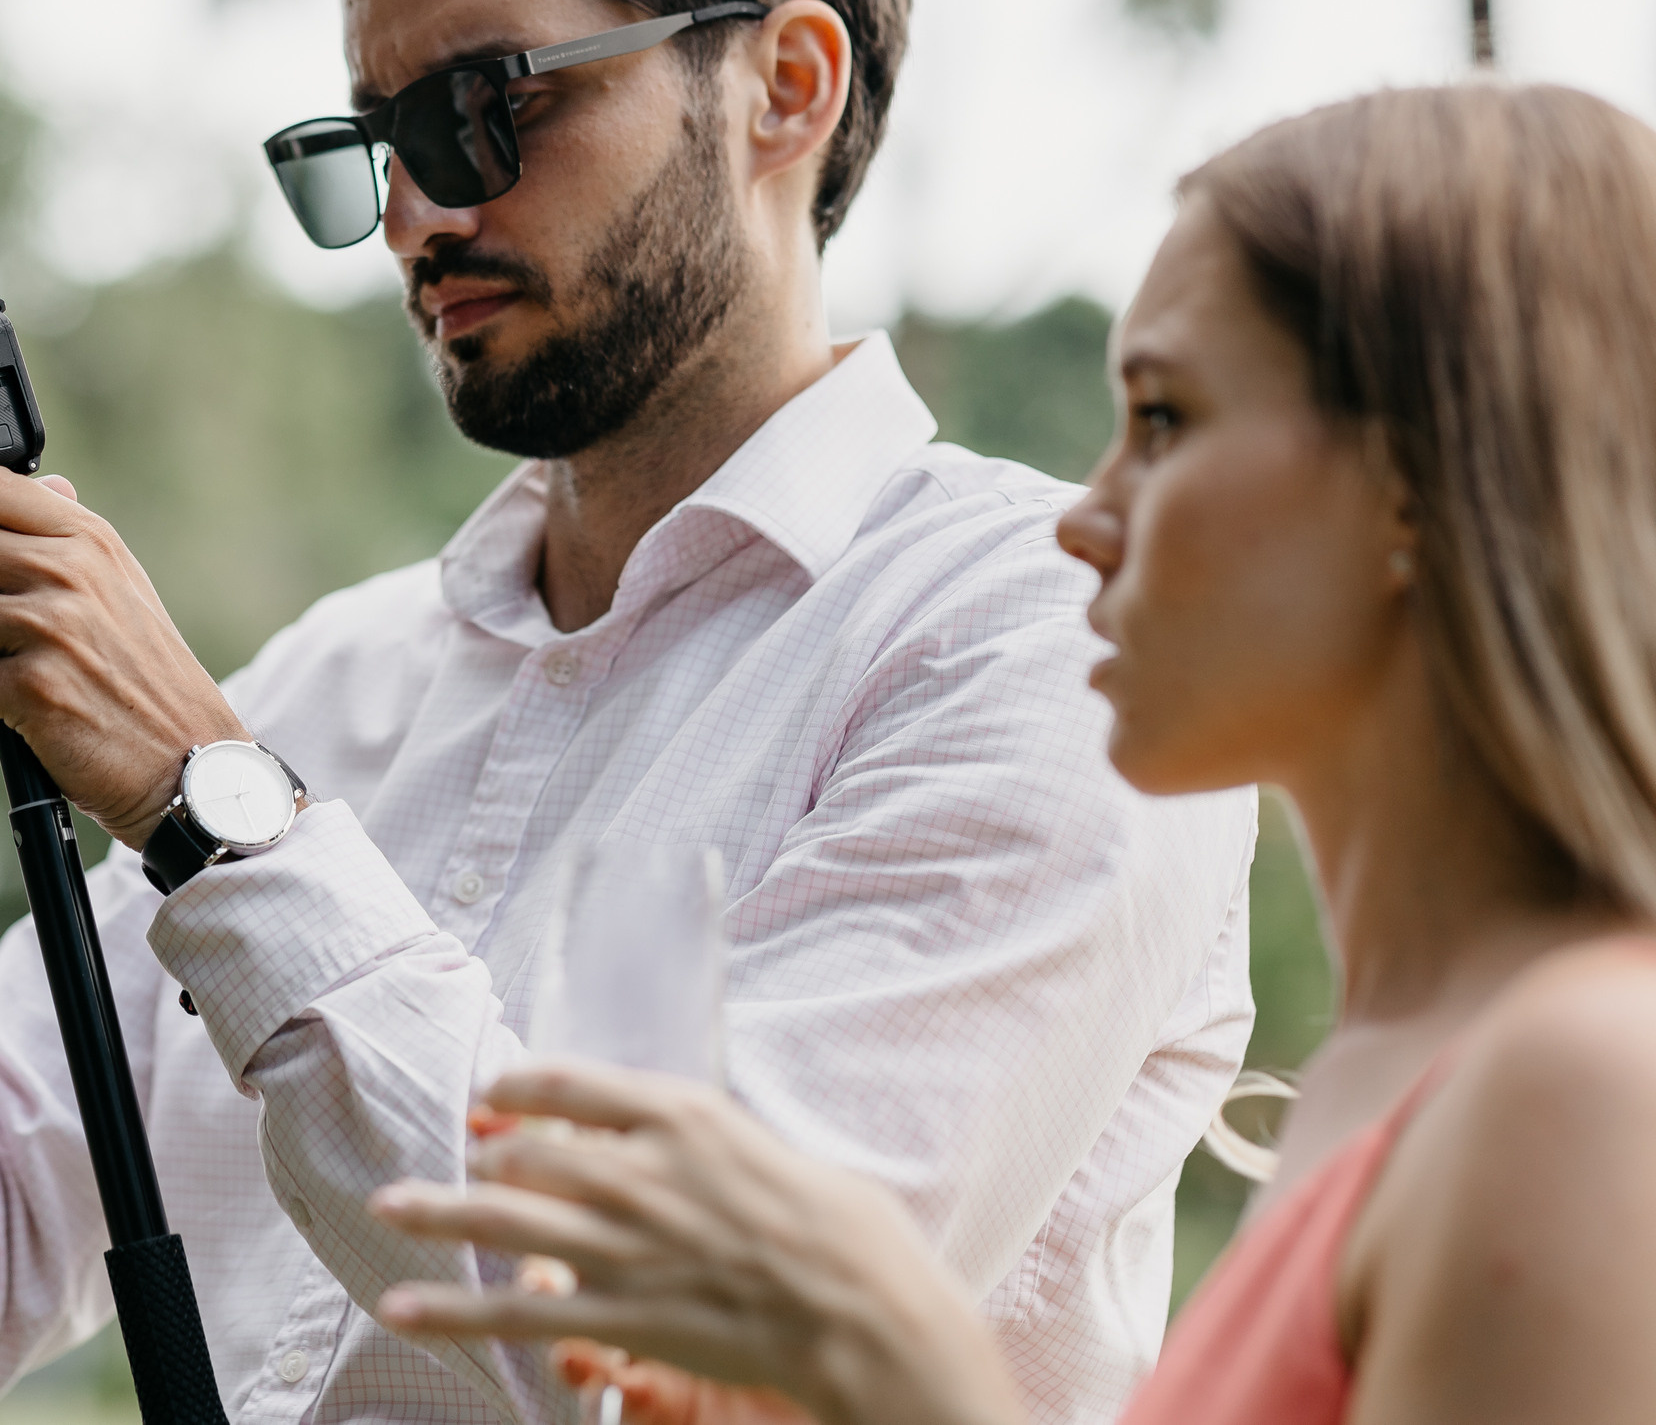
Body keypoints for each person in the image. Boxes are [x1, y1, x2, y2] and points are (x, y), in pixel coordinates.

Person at [0, 0, 1256, 1423]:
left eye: (490, 110)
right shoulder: (330, 687)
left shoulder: (1042, 648)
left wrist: (213, 812)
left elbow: (682, 1342)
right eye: (376, 138)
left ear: (787, 83)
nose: (416, 212)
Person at [365, 82, 1656, 1425]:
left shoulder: (1580, 1094)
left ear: (1420, 478)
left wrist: (917, 1388)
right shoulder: (1398, 1074)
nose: (1085, 520)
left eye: (1162, 422)